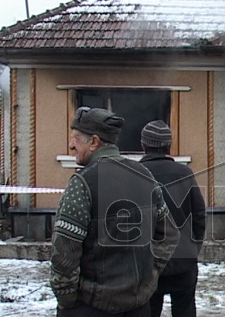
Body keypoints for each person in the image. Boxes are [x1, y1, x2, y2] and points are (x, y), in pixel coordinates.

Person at [50, 107, 180, 317]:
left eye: (76, 138)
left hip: (89, 308)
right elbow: (170, 235)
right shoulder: (144, 175)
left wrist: (66, 300)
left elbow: (64, 252)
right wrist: (150, 275)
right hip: (139, 307)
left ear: (94, 142)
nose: (71, 144)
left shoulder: (82, 183)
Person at [139, 120, 206, 317]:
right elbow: (199, 216)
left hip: (147, 266)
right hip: (183, 263)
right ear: (169, 146)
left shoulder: (135, 174)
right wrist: (192, 249)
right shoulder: (185, 174)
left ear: (143, 144)